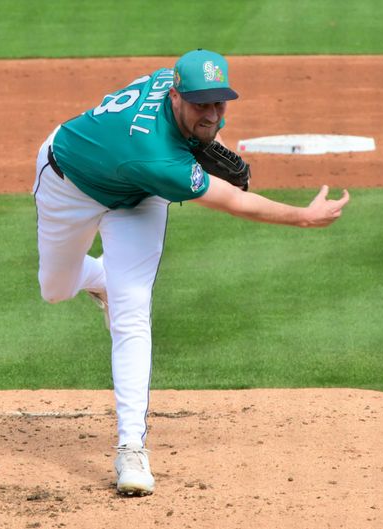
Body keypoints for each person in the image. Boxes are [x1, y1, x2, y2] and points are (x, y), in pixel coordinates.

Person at [32, 49, 349, 496]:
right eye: (201, 103)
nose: (213, 113)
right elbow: (237, 202)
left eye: (219, 103)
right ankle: (100, 280)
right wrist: (303, 216)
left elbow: (190, 139)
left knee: (132, 311)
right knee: (54, 289)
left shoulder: (168, 80)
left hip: (139, 196)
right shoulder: (157, 159)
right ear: (176, 94)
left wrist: (204, 139)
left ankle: (130, 448)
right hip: (68, 184)